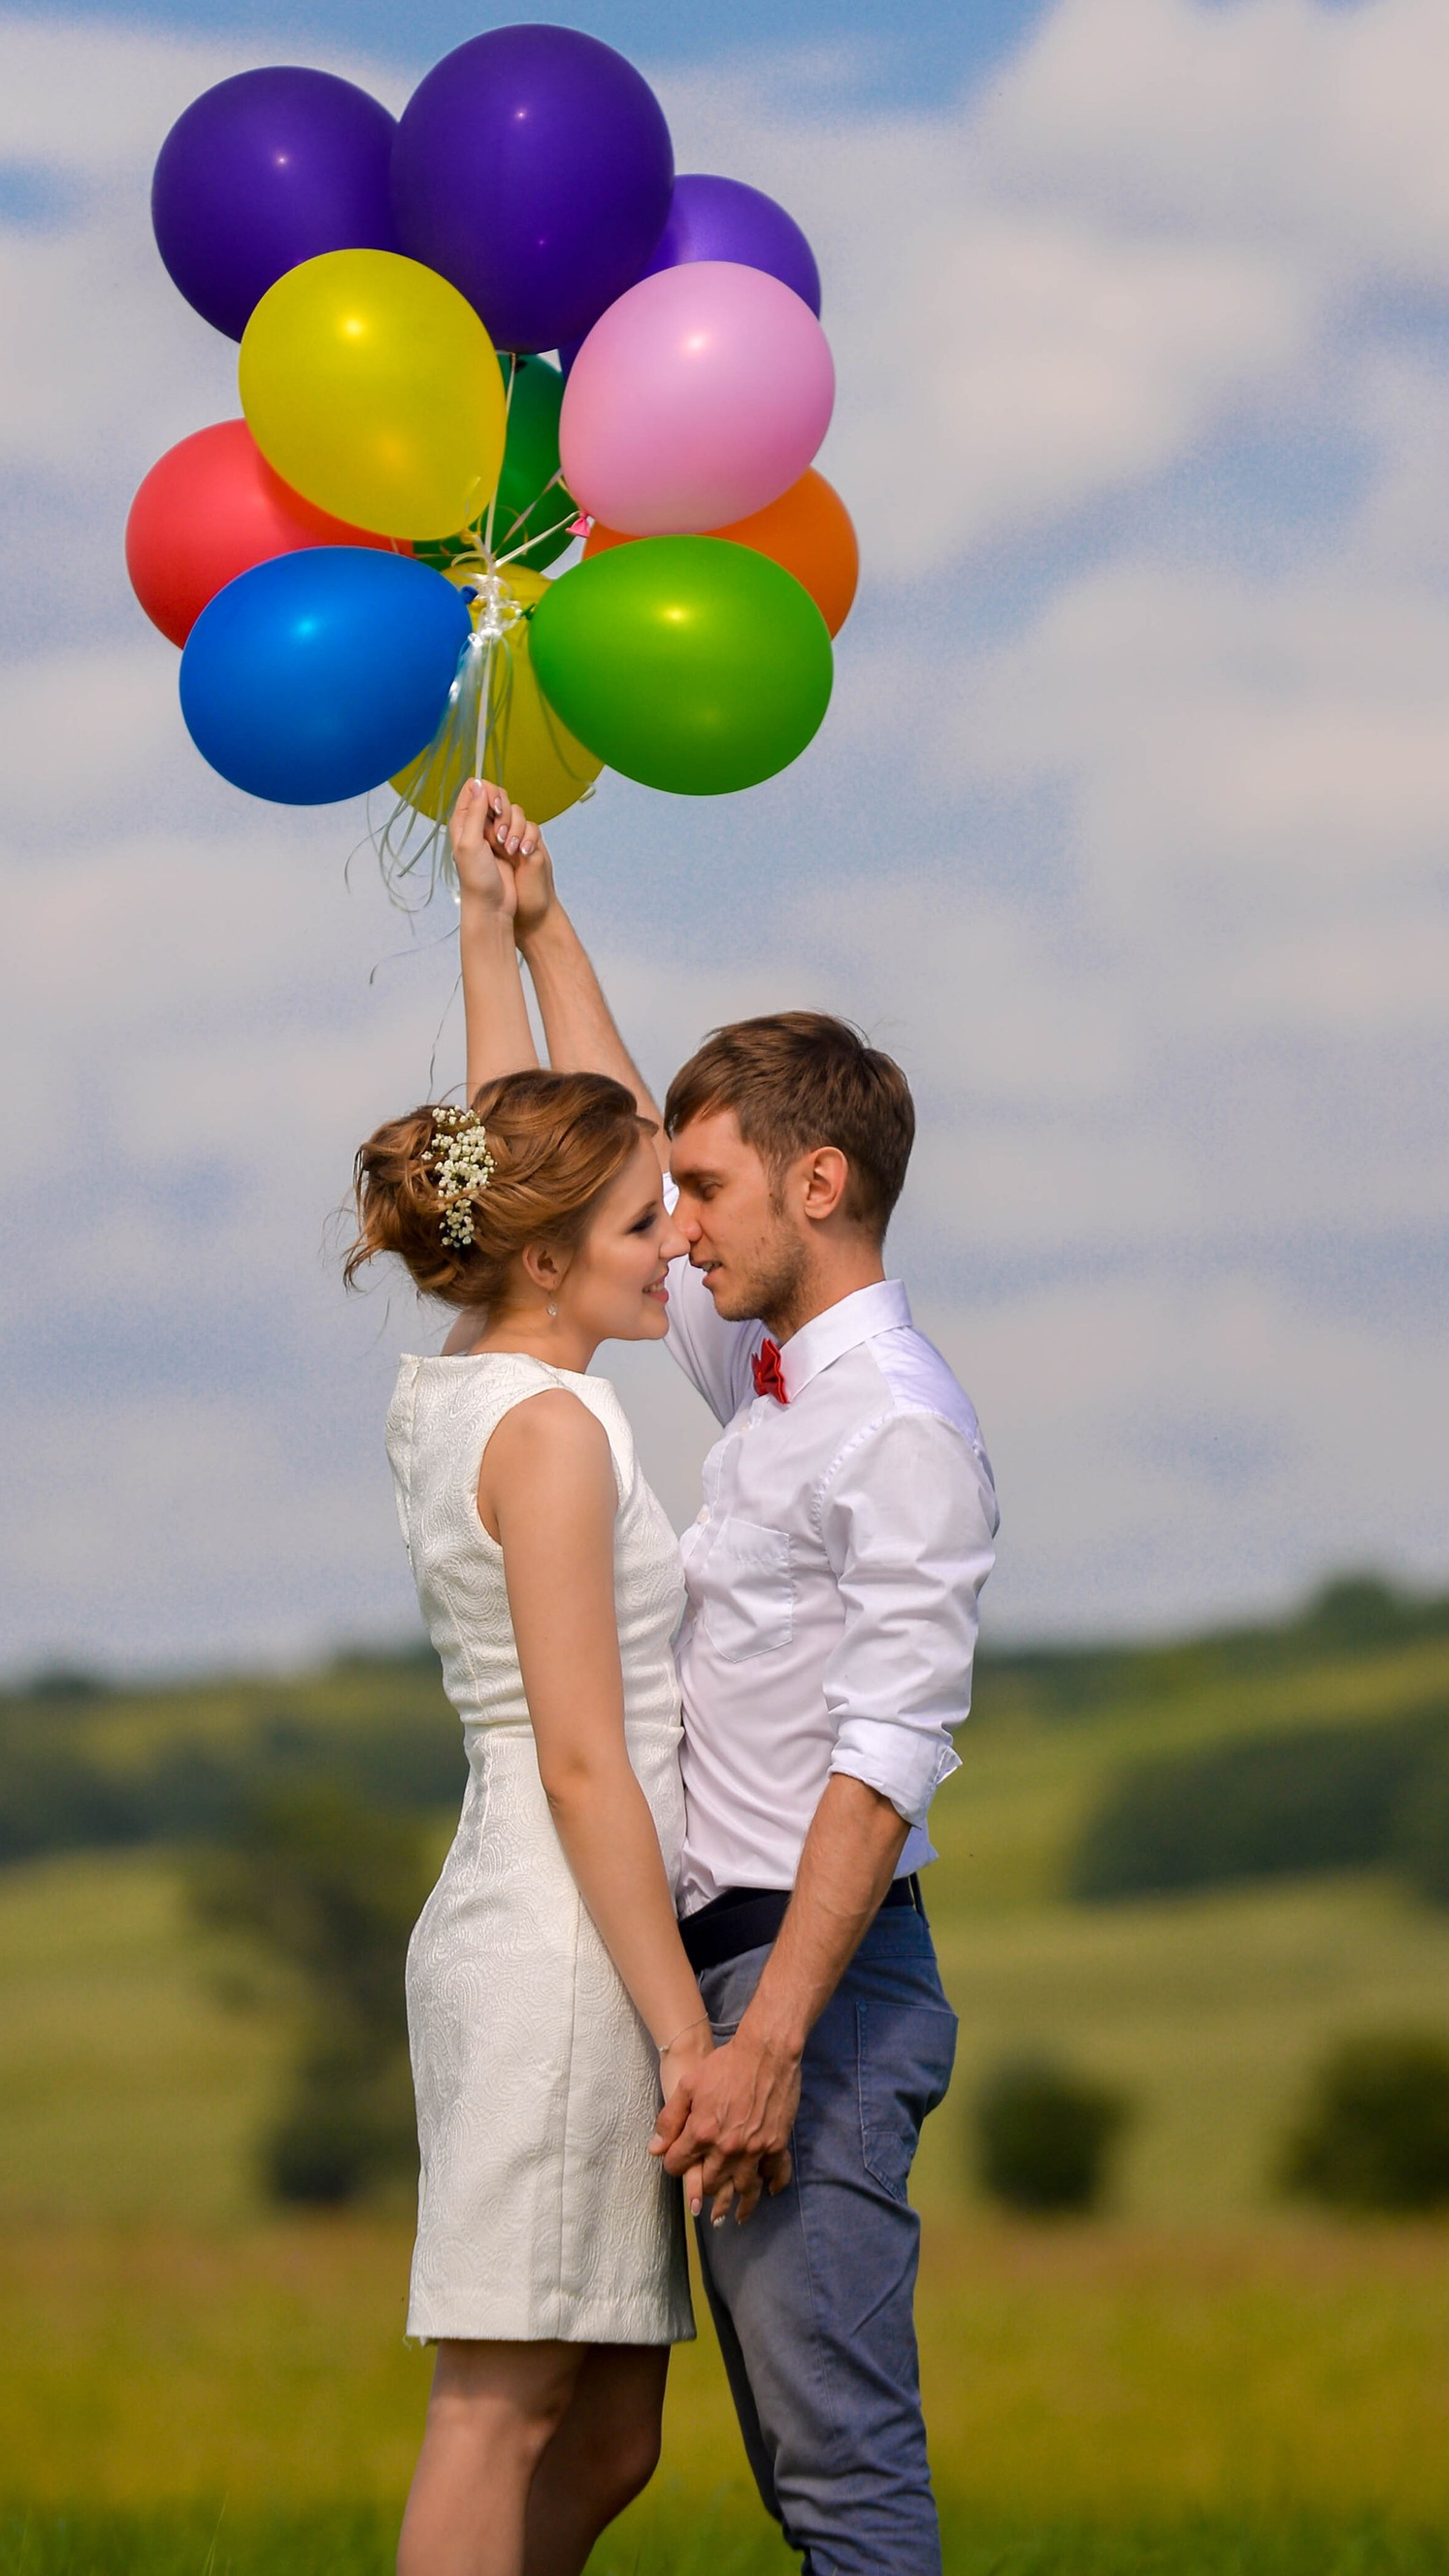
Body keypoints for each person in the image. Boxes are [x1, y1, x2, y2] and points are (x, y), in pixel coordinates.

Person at [452, 779, 1000, 2576]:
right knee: (792, 2467)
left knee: (843, 2471)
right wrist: (540, 927)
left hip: (815, 1995)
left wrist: (766, 2044)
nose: (671, 1225)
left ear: (817, 1185)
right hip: (736, 1973)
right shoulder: (771, 1382)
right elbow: (604, 1157)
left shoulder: (897, 1430)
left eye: (704, 1189)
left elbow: (888, 1752)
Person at [350, 911, 781, 2576]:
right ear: (542, 1255)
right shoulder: (539, 1430)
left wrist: (510, 925)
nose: (670, 1239)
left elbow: (531, 1133)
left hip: (586, 1932)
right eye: (635, 1220)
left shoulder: (497, 1361)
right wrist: (689, 2038)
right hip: (562, 1945)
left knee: (607, 2435)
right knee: (502, 2409)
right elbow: (584, 1760)